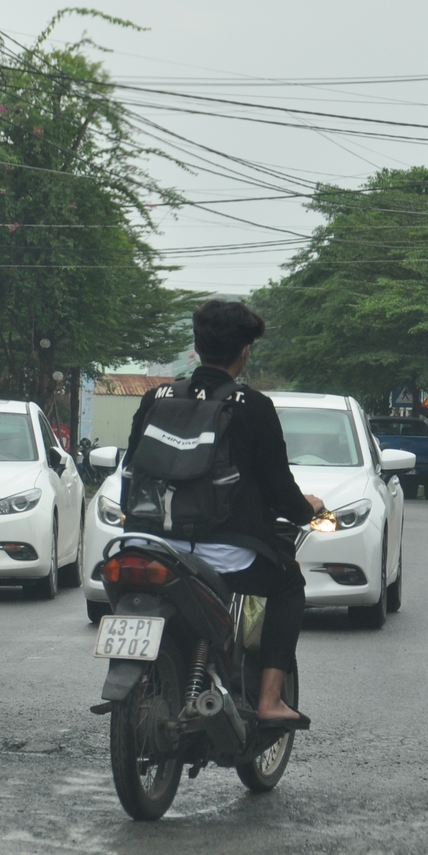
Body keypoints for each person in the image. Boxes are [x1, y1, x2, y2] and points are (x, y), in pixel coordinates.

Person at [125, 299, 321, 725]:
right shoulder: (254, 407)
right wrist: (307, 509)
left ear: (196, 346)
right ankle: (269, 700)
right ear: (245, 351)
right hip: (225, 553)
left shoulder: (155, 398)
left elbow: (132, 467)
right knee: (289, 584)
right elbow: (280, 491)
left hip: (148, 543)